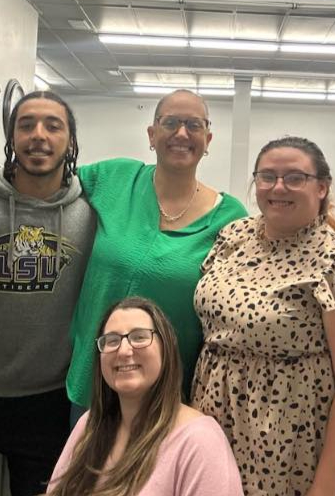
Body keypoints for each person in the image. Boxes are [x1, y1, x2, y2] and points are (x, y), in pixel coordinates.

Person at [191, 137, 335, 496]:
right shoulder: (233, 237)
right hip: (215, 419)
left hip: (290, 441)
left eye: (295, 178)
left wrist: (324, 490)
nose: (278, 187)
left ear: (322, 187)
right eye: (267, 176)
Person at [0, 91, 95, 495]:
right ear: (11, 137)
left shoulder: (91, 213)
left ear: (71, 141)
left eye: (52, 125)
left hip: (49, 402)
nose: (38, 135)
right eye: (26, 125)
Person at [65, 89, 248, 420]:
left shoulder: (230, 217)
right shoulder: (116, 178)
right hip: (95, 383)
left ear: (208, 140)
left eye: (194, 125)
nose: (182, 133)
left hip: (170, 395)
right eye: (171, 123)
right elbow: (45, 183)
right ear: (151, 135)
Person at [47, 296, 244, 496]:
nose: (124, 351)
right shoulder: (89, 425)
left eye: (139, 337)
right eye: (112, 341)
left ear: (166, 349)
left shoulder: (200, 441)